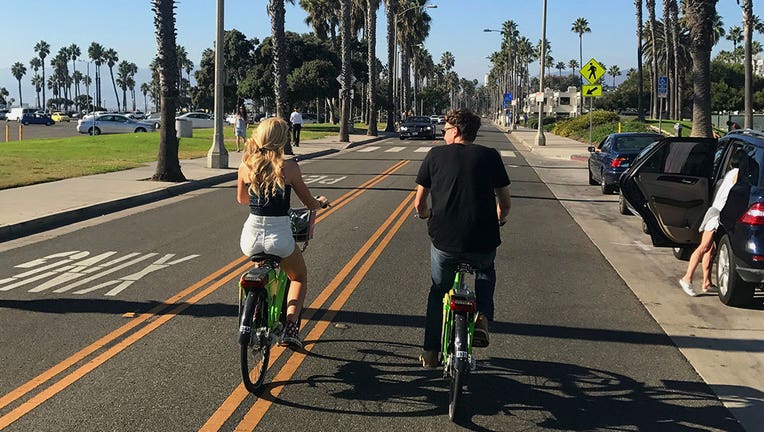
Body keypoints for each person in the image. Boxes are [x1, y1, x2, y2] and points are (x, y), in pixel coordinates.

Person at [414, 108, 512, 368]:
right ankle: (482, 318)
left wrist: (424, 214)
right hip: (483, 238)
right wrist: (500, 217)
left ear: (455, 131)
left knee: (438, 292)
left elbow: (419, 202)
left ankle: (431, 352)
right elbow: (505, 201)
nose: (444, 133)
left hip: (445, 239)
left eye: (446, 129)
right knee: (485, 271)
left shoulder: (435, 155)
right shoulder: (490, 156)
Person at [237, 117, 329, 348]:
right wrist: (320, 202)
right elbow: (308, 202)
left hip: (250, 237)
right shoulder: (289, 167)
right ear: (281, 140)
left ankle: (257, 309)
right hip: (279, 238)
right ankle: (290, 327)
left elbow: (242, 199)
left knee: (261, 263)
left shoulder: (245, 165)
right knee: (298, 276)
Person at [679, 149, 743, 297]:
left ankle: (706, 283)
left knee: (710, 250)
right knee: (704, 247)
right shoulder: (736, 174)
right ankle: (687, 278)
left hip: (715, 212)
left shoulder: (729, 173)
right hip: (716, 214)